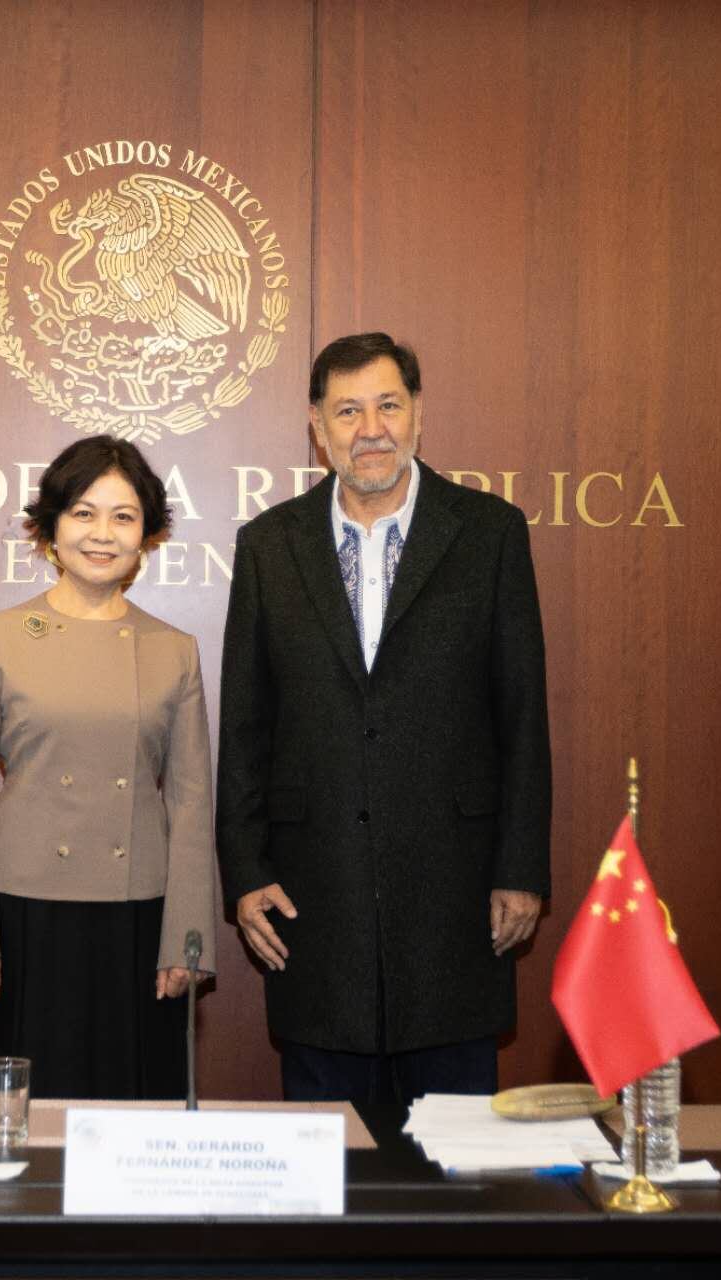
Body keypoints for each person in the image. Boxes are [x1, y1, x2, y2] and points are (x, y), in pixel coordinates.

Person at [216, 332, 552, 1108]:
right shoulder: (268, 545)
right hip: (313, 895)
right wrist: (246, 872)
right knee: (331, 1151)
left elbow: (521, 714)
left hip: (457, 895)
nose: (370, 429)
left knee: (453, 1156)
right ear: (317, 426)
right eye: (347, 411)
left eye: (387, 406)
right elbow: (244, 727)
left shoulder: (489, 532)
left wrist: (520, 867)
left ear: (417, 413)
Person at [0, 435, 217, 1100]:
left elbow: (191, 803)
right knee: (16, 1119)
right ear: (52, 527)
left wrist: (188, 939)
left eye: (123, 516)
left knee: (130, 1118)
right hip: (22, 917)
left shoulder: (173, 650)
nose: (102, 533)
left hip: (136, 919)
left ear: (147, 534)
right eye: (84, 513)